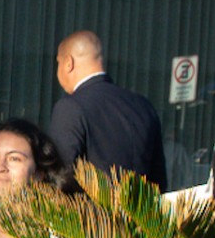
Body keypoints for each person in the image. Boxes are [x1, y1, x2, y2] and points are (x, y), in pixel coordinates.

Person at [49, 30, 167, 192]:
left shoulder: (70, 107)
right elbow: (158, 178)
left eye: (59, 63)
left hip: (90, 214)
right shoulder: (143, 106)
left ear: (68, 63)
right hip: (141, 214)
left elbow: (59, 176)